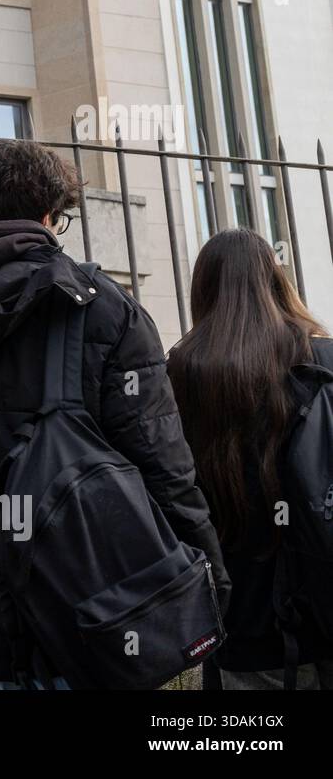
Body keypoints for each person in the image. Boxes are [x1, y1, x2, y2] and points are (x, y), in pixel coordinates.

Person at [0, 139, 228, 689]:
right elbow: (163, 467)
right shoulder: (99, 307)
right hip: (91, 620)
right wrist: (208, 582)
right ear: (49, 213)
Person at [168, 228, 333, 689]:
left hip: (234, 615)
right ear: (278, 282)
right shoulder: (323, 360)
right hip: (322, 601)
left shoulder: (181, 371)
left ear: (203, 289)